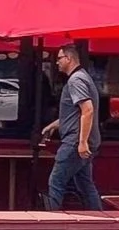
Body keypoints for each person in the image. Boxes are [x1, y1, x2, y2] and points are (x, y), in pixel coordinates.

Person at [40, 41, 104, 211]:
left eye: (59, 58)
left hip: (75, 142)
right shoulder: (83, 77)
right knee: (84, 183)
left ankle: (53, 222)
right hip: (83, 140)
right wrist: (54, 125)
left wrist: (82, 142)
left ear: (69, 58)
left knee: (56, 181)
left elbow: (88, 110)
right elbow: (76, 114)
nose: (57, 62)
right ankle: (100, 220)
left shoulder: (76, 80)